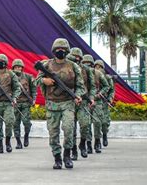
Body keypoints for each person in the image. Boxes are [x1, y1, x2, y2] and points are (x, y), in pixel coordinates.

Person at [35, 38, 85, 169]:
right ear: (53, 50)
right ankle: (57, 158)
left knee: (69, 129)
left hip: (68, 103)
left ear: (67, 51)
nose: (60, 51)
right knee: (53, 134)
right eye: (58, 49)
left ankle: (67, 155)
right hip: (52, 104)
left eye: (63, 49)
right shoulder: (46, 65)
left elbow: (80, 86)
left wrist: (78, 95)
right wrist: (44, 80)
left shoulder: (73, 66)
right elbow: (36, 80)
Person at [67, 47, 95, 160]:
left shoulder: (86, 70)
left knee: (85, 125)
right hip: (69, 102)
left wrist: (91, 98)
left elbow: (92, 86)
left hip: (83, 101)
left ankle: (82, 144)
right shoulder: (66, 67)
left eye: (78, 57)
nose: (76, 58)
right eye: (74, 56)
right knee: (70, 128)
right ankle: (73, 149)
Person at [0, 54, 21, 154]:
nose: (1, 63)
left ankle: (7, 143)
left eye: (3, 61)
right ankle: (0, 146)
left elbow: (17, 88)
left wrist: (14, 98)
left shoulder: (11, 74)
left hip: (8, 103)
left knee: (9, 122)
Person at [81, 54, 109, 154]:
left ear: (92, 65)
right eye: (84, 64)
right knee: (86, 123)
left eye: (89, 64)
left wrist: (99, 94)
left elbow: (106, 86)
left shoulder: (98, 73)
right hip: (85, 102)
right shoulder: (80, 73)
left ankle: (97, 141)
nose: (87, 66)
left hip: (97, 101)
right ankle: (88, 144)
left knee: (97, 122)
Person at [11, 58, 36, 149]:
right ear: (13, 67)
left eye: (19, 67)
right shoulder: (10, 76)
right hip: (15, 104)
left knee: (26, 122)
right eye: (16, 67)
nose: (18, 68)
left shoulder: (28, 77)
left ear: (22, 68)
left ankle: (26, 136)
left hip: (25, 103)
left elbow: (33, 89)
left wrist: (33, 99)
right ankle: (18, 141)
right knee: (15, 123)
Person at [94, 59, 114, 147]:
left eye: (100, 66)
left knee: (105, 122)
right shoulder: (92, 76)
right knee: (96, 122)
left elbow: (111, 90)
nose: (98, 68)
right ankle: (96, 140)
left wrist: (110, 99)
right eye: (96, 66)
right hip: (95, 101)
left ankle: (105, 135)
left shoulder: (108, 78)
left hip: (104, 102)